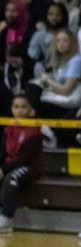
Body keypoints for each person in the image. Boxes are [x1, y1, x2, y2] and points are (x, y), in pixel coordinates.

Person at [0, 93, 42, 234]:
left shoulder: (34, 129)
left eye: (23, 107)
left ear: (31, 110)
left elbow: (24, 159)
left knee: (12, 177)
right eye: (16, 107)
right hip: (10, 165)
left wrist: (3, 170)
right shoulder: (8, 127)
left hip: (30, 167)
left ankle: (6, 219)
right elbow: (2, 152)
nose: (19, 110)